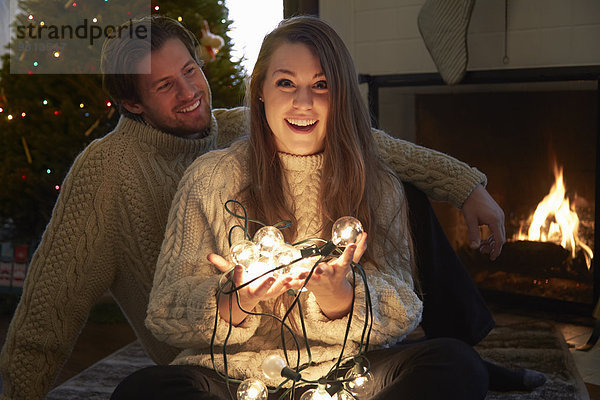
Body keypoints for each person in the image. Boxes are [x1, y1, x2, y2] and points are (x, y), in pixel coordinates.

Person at [0, 16, 505, 400]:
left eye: (191, 71)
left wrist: (465, 186)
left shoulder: (238, 122)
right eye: (164, 86)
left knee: (453, 360)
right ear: (133, 103)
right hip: (220, 357)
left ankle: (469, 356)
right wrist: (234, 302)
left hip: (342, 358)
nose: (190, 92)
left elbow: (371, 143)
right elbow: (51, 306)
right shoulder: (121, 172)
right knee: (144, 392)